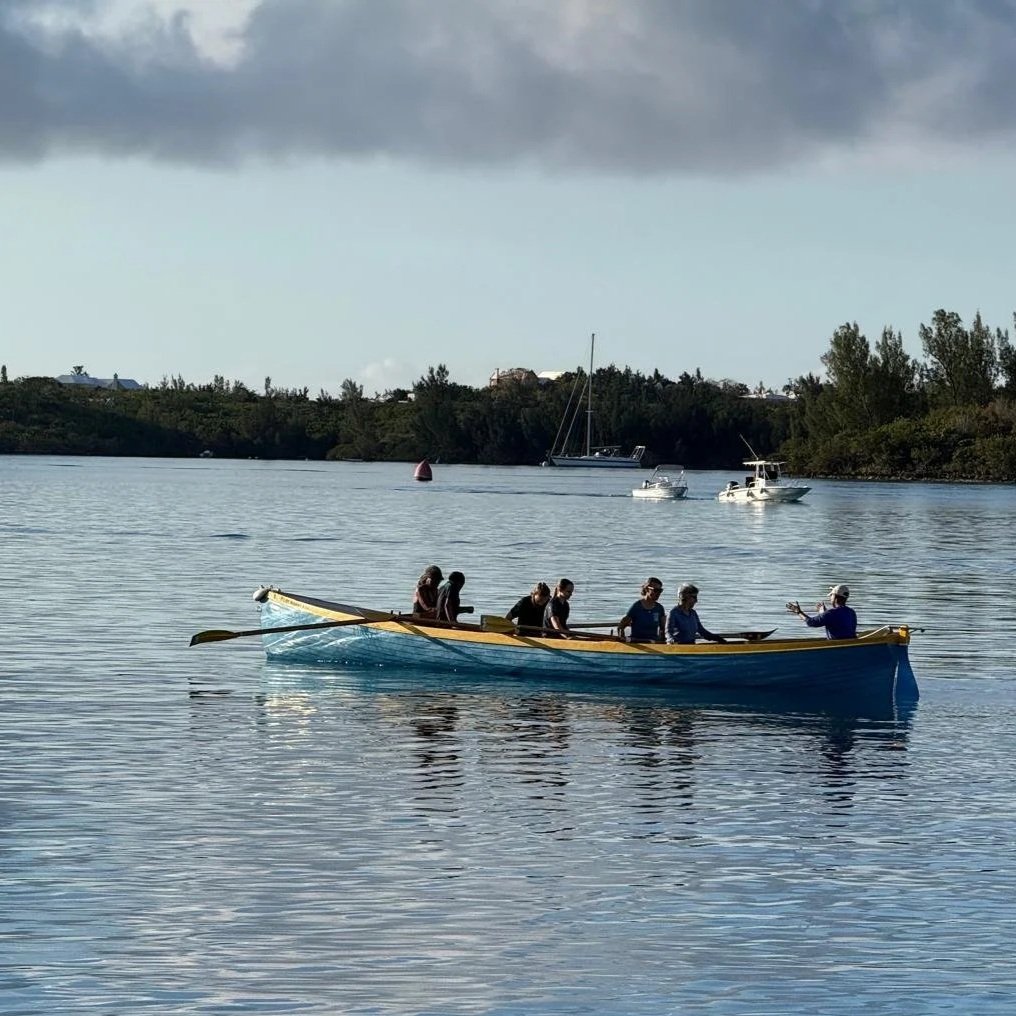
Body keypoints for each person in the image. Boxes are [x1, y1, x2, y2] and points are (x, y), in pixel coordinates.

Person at [786, 583, 857, 639]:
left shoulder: (830, 614)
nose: (830, 598)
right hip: (851, 643)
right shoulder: (851, 612)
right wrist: (824, 613)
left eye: (831, 595)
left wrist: (798, 612)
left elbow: (811, 622)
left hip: (836, 646)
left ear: (835, 597)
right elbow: (837, 620)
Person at [619, 577, 666, 643]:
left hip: (654, 642)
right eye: (655, 590)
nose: (658, 593)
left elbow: (663, 630)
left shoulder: (660, 608)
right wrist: (622, 638)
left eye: (660, 591)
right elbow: (621, 626)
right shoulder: (636, 607)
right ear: (647, 589)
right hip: (636, 642)